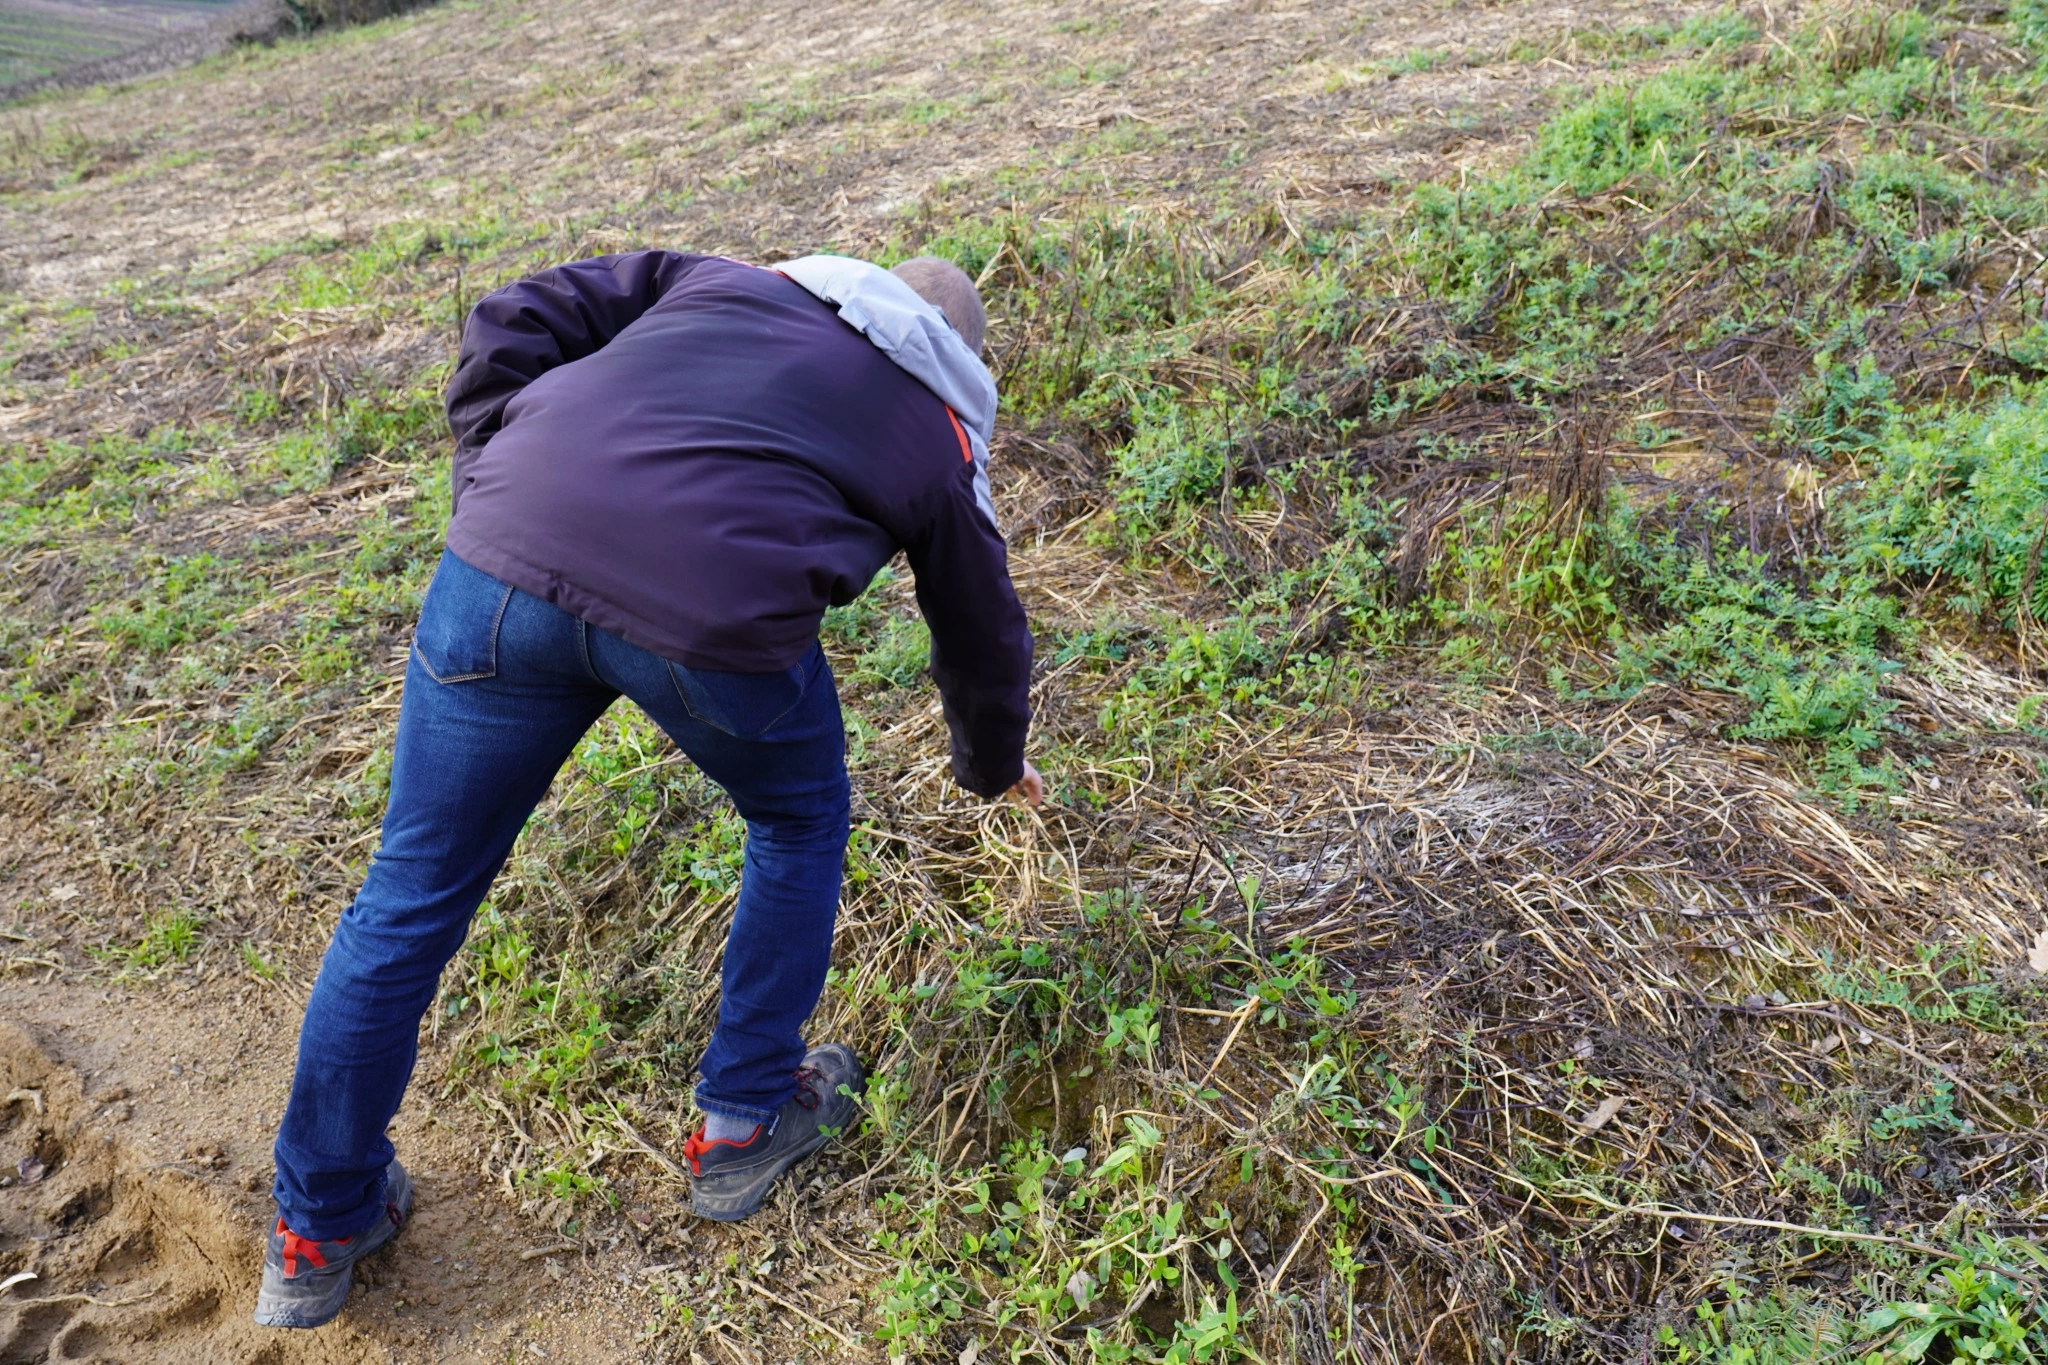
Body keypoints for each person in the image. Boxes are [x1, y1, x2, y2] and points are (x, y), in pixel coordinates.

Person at [253, 249, 1039, 1329]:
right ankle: (743, 1120)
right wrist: (991, 766)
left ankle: (316, 1226)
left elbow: (512, 311)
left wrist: (496, 470)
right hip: (708, 629)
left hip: (496, 571)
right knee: (798, 816)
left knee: (409, 895)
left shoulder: (717, 282)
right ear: (957, 353)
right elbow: (981, 625)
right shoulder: (936, 426)